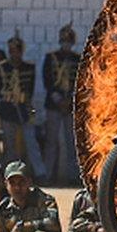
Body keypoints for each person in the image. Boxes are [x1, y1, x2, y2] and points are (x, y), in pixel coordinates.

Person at [0, 32, 48, 182]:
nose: (14, 53)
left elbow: (29, 90)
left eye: (17, 50)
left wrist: (29, 109)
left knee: (32, 143)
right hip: (7, 109)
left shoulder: (29, 68)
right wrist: (9, 96)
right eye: (12, 50)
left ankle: (40, 173)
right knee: (9, 145)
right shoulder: (1, 67)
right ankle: (9, 174)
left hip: (25, 110)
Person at [42, 24, 80, 186]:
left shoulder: (77, 59)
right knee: (51, 142)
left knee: (71, 142)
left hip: (70, 105)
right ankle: (47, 175)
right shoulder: (51, 57)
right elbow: (47, 81)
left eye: (68, 41)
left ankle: (72, 176)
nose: (65, 43)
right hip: (53, 104)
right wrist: (58, 99)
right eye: (63, 40)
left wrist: (69, 100)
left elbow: (80, 83)